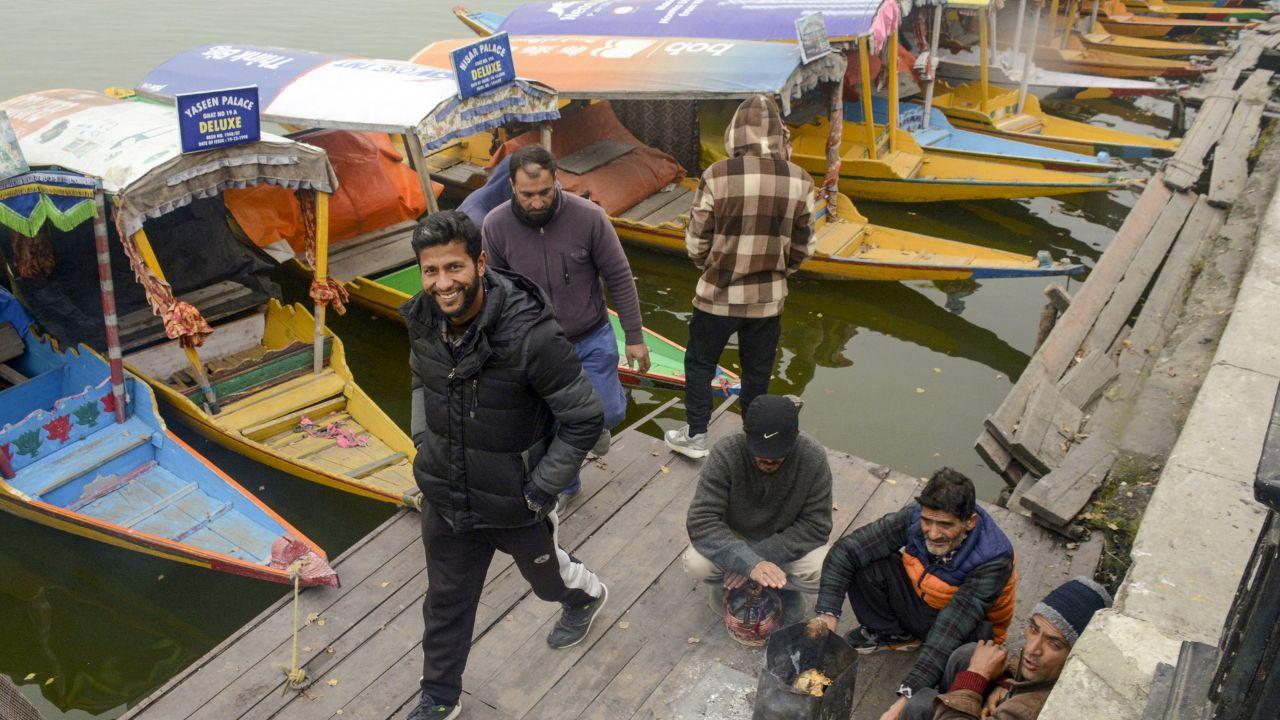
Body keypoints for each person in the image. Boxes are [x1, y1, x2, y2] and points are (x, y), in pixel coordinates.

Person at [401, 211, 609, 720]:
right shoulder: (422, 319)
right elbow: (420, 379)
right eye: (431, 271)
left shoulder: (532, 335)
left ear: (480, 263)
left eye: (454, 267)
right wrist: (424, 441)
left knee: (547, 582)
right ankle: (439, 698)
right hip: (446, 494)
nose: (443, 284)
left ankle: (585, 595)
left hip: (516, 501)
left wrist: (540, 489)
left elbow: (585, 419)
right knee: (446, 600)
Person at [482, 143, 650, 488]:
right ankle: (565, 487)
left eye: (544, 192)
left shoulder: (590, 217)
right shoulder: (495, 225)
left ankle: (597, 425)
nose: (537, 202)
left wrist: (634, 336)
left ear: (556, 179)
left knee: (607, 412)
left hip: (591, 335)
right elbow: (495, 292)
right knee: (555, 421)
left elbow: (618, 276)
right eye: (527, 195)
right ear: (512, 186)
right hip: (538, 345)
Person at [664, 94, 816, 460]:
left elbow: (697, 239)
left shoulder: (717, 175)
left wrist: (710, 266)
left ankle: (696, 435)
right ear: (778, 134)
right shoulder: (800, 179)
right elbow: (804, 246)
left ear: (734, 132)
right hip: (768, 300)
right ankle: (754, 440)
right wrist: (780, 272)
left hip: (717, 294)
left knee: (700, 364)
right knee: (757, 372)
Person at [814, 468, 1018, 720]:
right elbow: (847, 550)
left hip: (966, 628)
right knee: (867, 562)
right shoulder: (914, 517)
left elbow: (950, 630)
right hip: (927, 602)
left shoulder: (993, 559)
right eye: (927, 521)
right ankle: (898, 635)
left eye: (945, 525)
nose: (932, 533)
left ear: (970, 522)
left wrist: (903, 700)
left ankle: (938, 681)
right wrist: (827, 616)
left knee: (957, 660)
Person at [683, 395, 832, 628]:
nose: (769, 460)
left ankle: (780, 587)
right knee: (696, 564)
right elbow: (701, 521)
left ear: (795, 436)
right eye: (761, 451)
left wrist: (755, 560)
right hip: (734, 537)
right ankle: (733, 584)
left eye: (777, 453)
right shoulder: (725, 452)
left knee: (828, 570)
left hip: (785, 541)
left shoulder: (813, 457)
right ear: (745, 433)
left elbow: (817, 525)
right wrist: (747, 562)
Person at [902, 577, 1112, 720]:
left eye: (1054, 643)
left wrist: (975, 677)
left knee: (921, 704)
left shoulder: (1025, 711)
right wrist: (1007, 684)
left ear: (1075, 655)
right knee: (968, 654)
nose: (1032, 648)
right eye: (1033, 628)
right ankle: (948, 704)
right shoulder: (1049, 669)